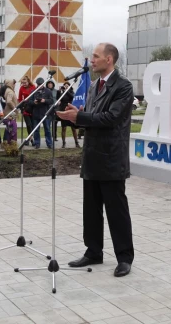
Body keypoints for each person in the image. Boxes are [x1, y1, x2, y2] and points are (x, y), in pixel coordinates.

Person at [57, 43, 134, 278]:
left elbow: (110, 118)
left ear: (109, 59)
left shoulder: (123, 86)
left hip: (111, 158)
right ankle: (93, 251)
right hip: (91, 156)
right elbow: (92, 118)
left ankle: (124, 257)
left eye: (96, 57)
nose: (92, 60)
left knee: (116, 210)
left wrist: (79, 116)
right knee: (90, 209)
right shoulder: (92, 86)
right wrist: (75, 115)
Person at [31, 77, 54, 149]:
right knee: (36, 130)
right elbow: (29, 101)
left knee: (47, 129)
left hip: (45, 113)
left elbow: (51, 101)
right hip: (36, 113)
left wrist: (45, 100)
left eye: (41, 84)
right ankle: (37, 143)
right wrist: (34, 102)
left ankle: (49, 143)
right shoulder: (33, 91)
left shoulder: (48, 91)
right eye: (38, 84)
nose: (40, 85)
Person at [57, 82, 80, 148]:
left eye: (67, 85)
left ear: (69, 86)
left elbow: (72, 97)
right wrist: (59, 91)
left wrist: (66, 91)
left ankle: (76, 142)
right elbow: (58, 98)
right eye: (65, 85)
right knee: (63, 128)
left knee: (73, 128)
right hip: (64, 110)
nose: (66, 86)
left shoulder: (72, 92)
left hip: (70, 110)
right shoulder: (62, 93)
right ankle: (63, 143)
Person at [18, 75, 36, 146]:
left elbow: (36, 96)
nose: (24, 84)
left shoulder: (33, 87)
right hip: (25, 108)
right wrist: (21, 104)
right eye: (22, 83)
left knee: (33, 125)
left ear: (28, 81)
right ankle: (31, 139)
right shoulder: (21, 88)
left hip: (33, 107)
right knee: (29, 125)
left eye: (25, 83)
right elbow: (19, 98)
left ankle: (29, 139)